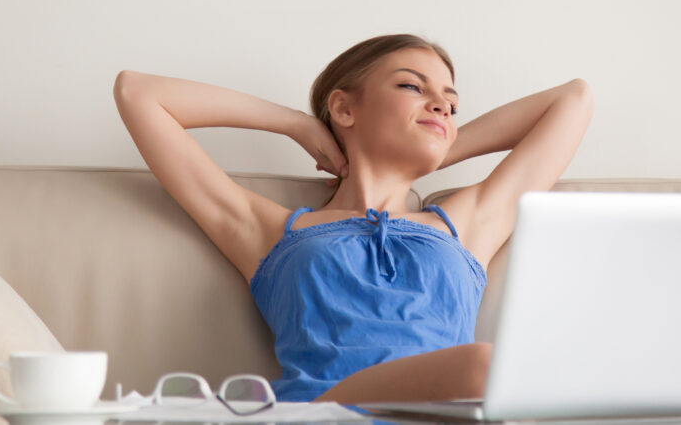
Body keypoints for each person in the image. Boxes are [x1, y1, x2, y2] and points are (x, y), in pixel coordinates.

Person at [113, 33, 594, 403]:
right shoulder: (271, 231)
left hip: (449, 410)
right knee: (486, 369)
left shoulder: (468, 223)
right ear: (343, 107)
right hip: (322, 413)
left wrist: (438, 144)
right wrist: (296, 123)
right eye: (412, 85)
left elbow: (573, 99)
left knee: (487, 373)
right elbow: (138, 94)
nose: (442, 105)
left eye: (451, 103)